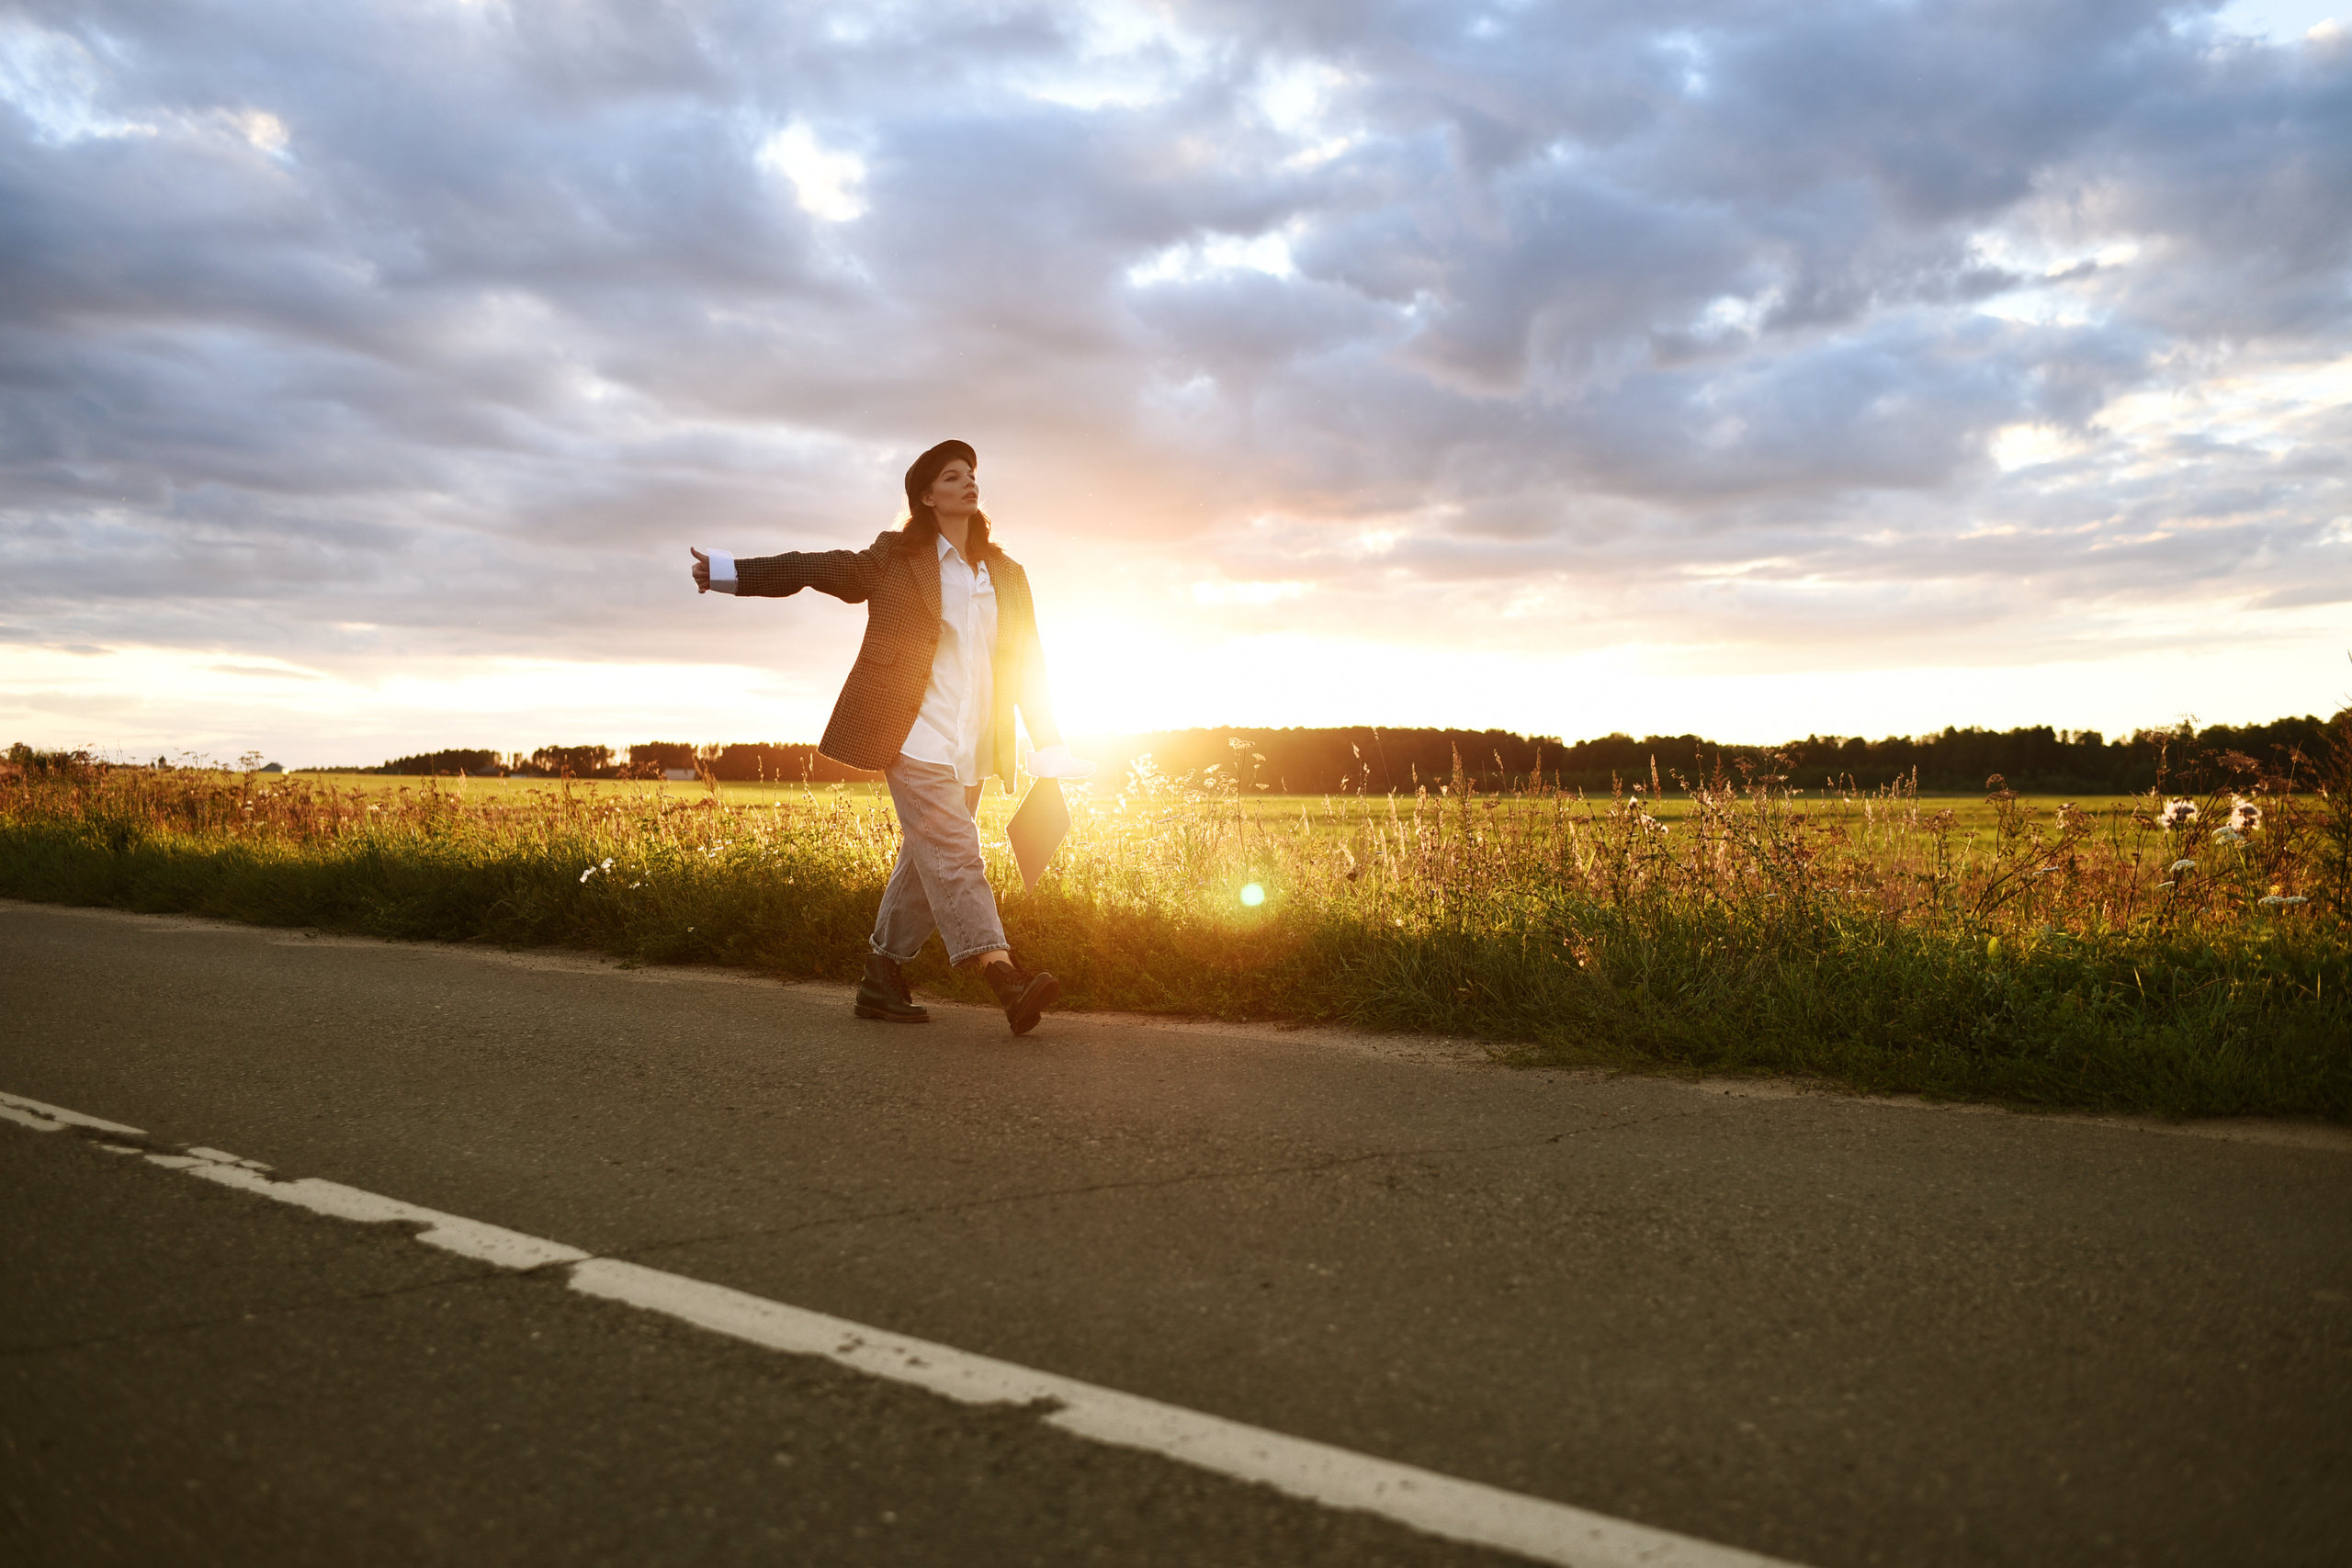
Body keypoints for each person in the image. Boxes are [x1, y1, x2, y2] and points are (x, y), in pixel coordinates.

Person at [688, 440, 1092, 1035]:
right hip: (913, 736)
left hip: (975, 744)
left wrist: (1048, 743)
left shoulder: (1007, 574)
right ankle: (1003, 975)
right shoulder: (894, 559)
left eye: (972, 474)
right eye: (953, 476)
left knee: (924, 863)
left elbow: (1030, 663)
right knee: (956, 856)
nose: (968, 483)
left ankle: (881, 976)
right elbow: (813, 567)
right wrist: (729, 572)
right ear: (927, 496)